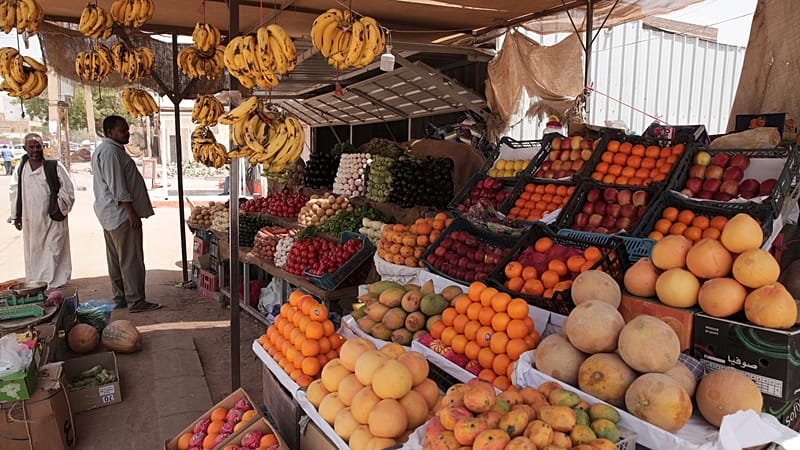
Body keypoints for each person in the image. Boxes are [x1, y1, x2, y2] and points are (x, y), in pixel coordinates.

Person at [92, 115, 161, 312]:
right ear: (110, 132)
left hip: (110, 214)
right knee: (131, 260)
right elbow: (118, 186)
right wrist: (130, 212)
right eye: (122, 130)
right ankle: (136, 300)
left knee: (116, 258)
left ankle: (121, 296)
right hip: (120, 214)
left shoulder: (108, 150)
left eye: (127, 130)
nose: (127, 134)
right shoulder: (110, 152)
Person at [8, 133, 75, 288]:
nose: (35, 150)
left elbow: (68, 189)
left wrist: (60, 207)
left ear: (43, 147)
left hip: (52, 220)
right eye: (31, 146)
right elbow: (14, 192)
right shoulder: (21, 168)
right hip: (31, 221)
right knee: (35, 252)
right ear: (25, 148)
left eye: (38, 146)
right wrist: (16, 215)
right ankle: (38, 283)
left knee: (54, 250)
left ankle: (54, 283)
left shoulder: (53, 166)